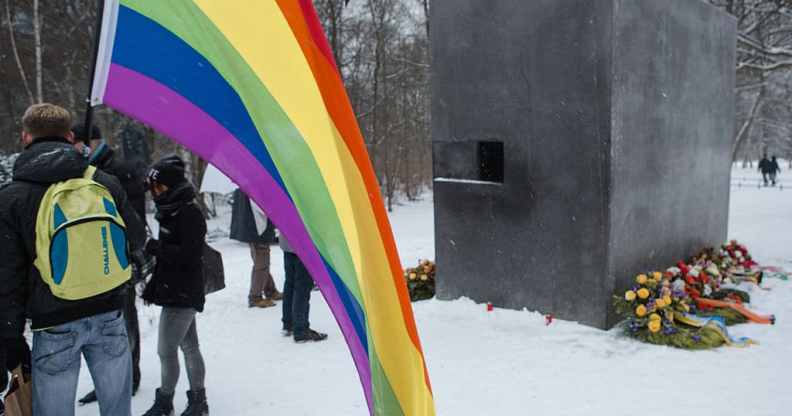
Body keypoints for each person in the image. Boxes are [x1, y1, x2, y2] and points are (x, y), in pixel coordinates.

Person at [0, 103, 145, 416]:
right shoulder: (104, 182)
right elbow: (136, 239)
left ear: (25, 137)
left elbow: (7, 275)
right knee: (118, 410)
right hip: (109, 313)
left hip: (53, 322)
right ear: (69, 136)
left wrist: (10, 335)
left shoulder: (12, 197)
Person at [72, 124, 148, 404]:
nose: (76, 147)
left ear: (94, 141)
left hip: (121, 255)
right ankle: (109, 380)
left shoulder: (117, 170)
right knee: (104, 325)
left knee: (125, 319)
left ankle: (131, 376)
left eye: (80, 141)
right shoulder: (83, 170)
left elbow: (133, 220)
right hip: (96, 260)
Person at [141, 155, 209, 416]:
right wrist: (153, 286)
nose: (155, 193)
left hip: (183, 293)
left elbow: (189, 256)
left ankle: (165, 401)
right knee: (190, 346)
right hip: (176, 290)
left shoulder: (189, 213)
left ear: (172, 186)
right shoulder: (170, 212)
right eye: (153, 189)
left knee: (166, 350)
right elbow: (170, 259)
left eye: (159, 188)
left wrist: (157, 248)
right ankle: (198, 402)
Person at [230, 189, 282, 308]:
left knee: (261, 262)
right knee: (262, 263)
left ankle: (270, 290)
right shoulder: (255, 186)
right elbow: (261, 210)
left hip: (251, 229)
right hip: (258, 230)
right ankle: (255, 297)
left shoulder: (242, 183)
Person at [280, 234, 328, 343]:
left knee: (290, 283)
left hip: (287, 241)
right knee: (302, 286)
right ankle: (301, 329)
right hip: (303, 243)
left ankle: (288, 323)